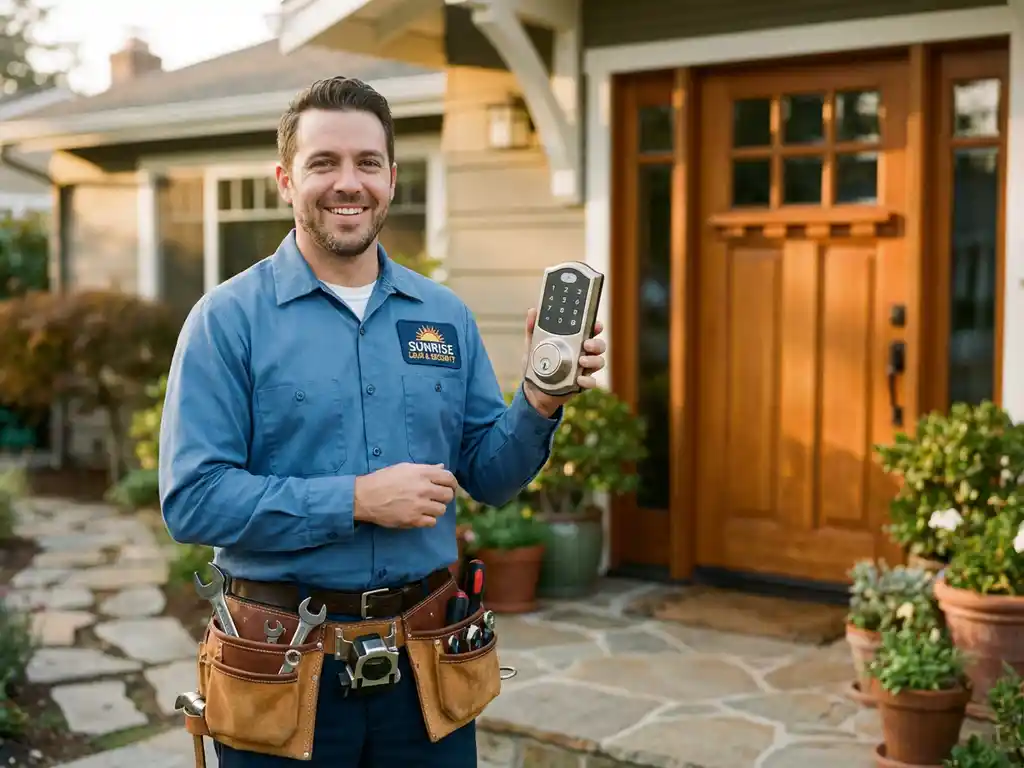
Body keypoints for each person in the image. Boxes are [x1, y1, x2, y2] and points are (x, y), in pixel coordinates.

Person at [158, 76, 606, 768]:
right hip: (283, 670)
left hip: (427, 666)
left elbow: (489, 475)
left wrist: (541, 400)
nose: (349, 183)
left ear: (392, 178)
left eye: (368, 163)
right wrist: (358, 500)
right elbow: (193, 501)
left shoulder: (443, 315)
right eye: (323, 163)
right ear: (285, 179)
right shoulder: (227, 320)